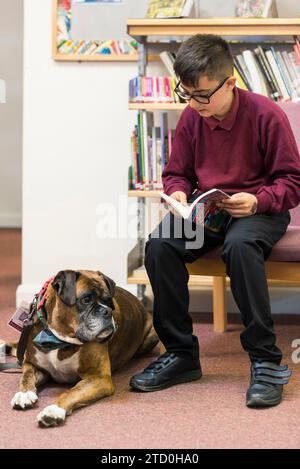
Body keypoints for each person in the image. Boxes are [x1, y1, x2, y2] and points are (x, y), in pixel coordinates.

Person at [129, 34, 300, 407]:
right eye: (187, 93)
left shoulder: (267, 115)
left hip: (260, 210)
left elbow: (292, 183)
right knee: (159, 246)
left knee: (239, 246)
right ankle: (182, 354)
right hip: (208, 210)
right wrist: (176, 193)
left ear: (230, 83)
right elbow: (178, 173)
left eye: (203, 95)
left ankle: (265, 359)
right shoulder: (192, 116)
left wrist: (257, 200)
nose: (193, 103)